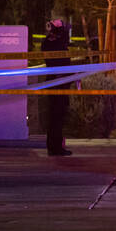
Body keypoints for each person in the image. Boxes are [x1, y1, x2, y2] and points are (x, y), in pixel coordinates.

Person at [41, 18, 72, 156]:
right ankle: (55, 148)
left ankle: (54, 146)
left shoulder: (48, 42)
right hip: (58, 82)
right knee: (57, 116)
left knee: (55, 116)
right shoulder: (56, 44)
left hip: (58, 81)